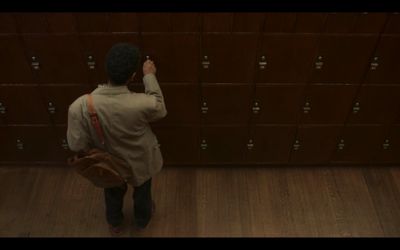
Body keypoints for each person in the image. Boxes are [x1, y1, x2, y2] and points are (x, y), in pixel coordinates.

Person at [67, 43, 167, 236]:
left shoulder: (79, 106)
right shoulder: (142, 103)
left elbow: (76, 145)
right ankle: (141, 222)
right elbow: (160, 108)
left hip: (109, 162)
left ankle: (115, 223)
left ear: (106, 70)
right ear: (132, 76)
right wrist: (150, 76)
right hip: (141, 161)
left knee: (112, 193)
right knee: (143, 193)